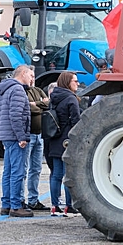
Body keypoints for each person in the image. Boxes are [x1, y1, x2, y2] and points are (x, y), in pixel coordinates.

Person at [0, 65, 33, 217]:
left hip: (6, 135)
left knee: (8, 172)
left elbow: (0, 115)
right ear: (23, 73)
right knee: (17, 172)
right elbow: (16, 115)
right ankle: (16, 206)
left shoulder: (4, 90)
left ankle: (6, 204)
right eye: (31, 75)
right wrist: (21, 137)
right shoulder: (17, 90)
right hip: (15, 136)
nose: (32, 79)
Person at [48, 72, 80, 217]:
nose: (78, 84)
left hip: (54, 138)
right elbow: (76, 122)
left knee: (56, 175)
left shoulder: (53, 97)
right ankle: (69, 206)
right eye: (75, 81)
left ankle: (55, 206)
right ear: (68, 82)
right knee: (68, 175)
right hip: (68, 139)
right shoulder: (71, 99)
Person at [21, 67, 50, 211]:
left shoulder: (38, 90)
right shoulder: (22, 92)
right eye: (30, 76)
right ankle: (21, 199)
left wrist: (36, 105)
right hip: (28, 135)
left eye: (33, 76)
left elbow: (48, 104)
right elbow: (27, 108)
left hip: (40, 136)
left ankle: (33, 199)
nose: (32, 79)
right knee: (24, 169)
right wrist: (40, 105)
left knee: (36, 169)